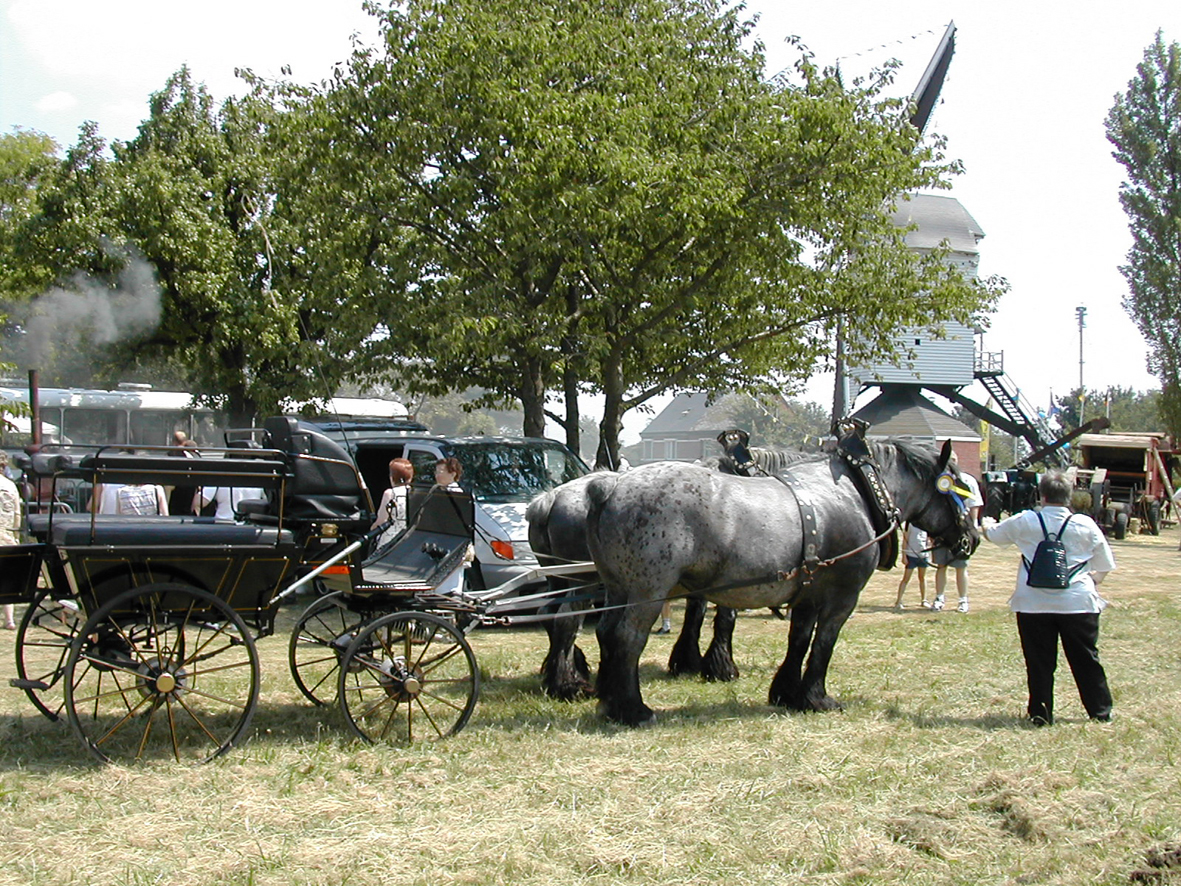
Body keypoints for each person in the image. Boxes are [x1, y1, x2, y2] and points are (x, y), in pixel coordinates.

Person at [981, 470, 1116, 725]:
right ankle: (1100, 711)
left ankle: (1041, 713)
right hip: (1077, 602)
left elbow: (994, 535)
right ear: (1069, 497)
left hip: (1033, 603)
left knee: (1039, 662)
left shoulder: (1026, 520)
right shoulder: (1085, 524)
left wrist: (986, 522)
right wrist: (1092, 580)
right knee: (1086, 659)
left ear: (1041, 495)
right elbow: (1105, 564)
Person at [931, 449, 983, 613]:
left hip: (960, 532)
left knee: (961, 567)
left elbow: (974, 505)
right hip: (941, 531)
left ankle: (963, 600)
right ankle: (939, 598)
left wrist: (972, 528)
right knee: (941, 566)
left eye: (953, 460)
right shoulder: (938, 481)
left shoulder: (967, 480)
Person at [1, 451, 22, 629]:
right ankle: (9, 620)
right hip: (6, 535)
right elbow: (17, 513)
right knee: (5, 579)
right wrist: (15, 535)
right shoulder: (10, 486)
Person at [372, 457, 414, 543]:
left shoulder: (390, 493)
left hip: (391, 539)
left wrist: (372, 528)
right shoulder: (416, 492)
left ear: (392, 477)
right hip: (410, 538)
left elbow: (382, 520)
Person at [893, 522, 930, 611]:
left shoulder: (926, 525)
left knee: (922, 578)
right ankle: (898, 601)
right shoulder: (909, 525)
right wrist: (904, 555)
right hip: (911, 555)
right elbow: (905, 540)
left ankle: (924, 600)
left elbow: (928, 539)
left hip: (923, 556)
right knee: (906, 579)